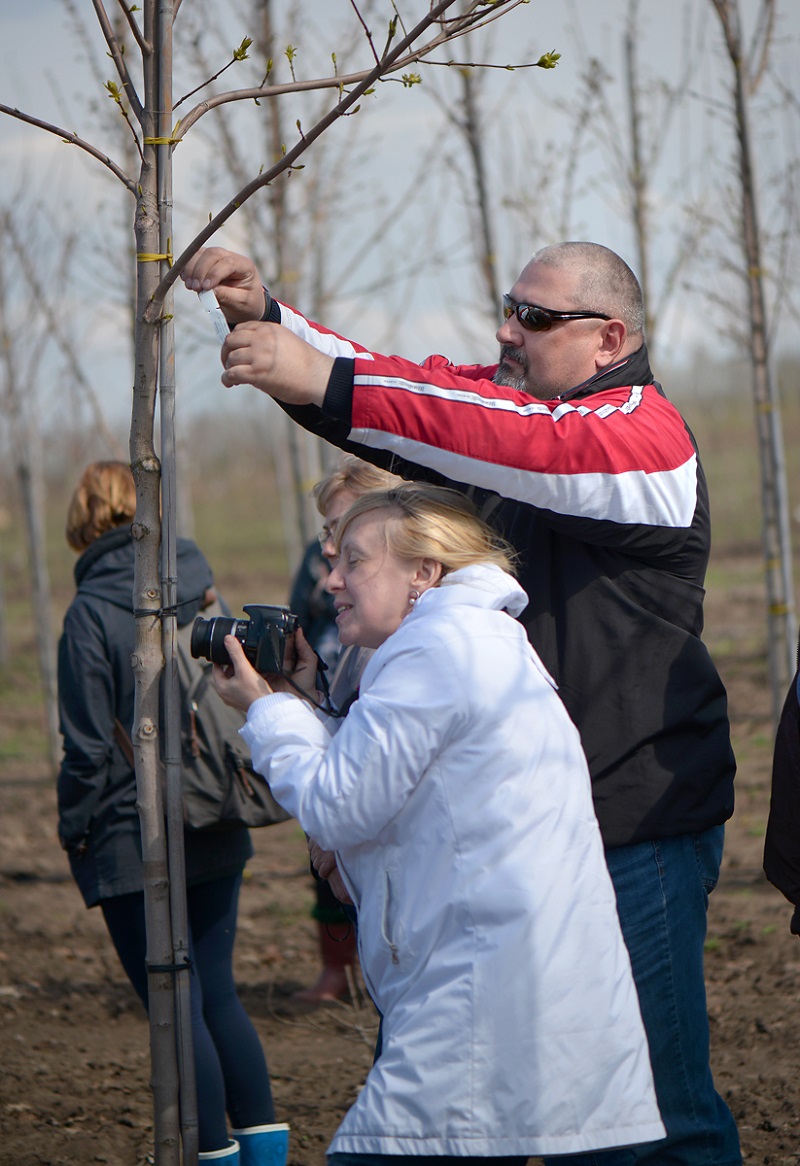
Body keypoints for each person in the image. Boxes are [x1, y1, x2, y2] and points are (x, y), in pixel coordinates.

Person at [181, 241, 741, 1166]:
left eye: (534, 317)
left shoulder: (648, 437)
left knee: (655, 1115)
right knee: (552, 1113)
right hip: (519, 844)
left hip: (632, 827)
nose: (506, 331)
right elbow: (429, 401)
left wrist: (319, 374)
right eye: (507, 308)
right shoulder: (511, 420)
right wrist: (269, 321)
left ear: (611, 339)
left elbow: (497, 435)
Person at [213, 482, 666, 1163]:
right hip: (497, 980)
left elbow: (339, 804)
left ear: (424, 572)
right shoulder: (463, 639)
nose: (332, 579)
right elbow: (388, 776)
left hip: (475, 993)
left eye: (355, 562)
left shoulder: (438, 653)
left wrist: (265, 710)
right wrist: (307, 704)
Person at [56, 461, 288, 1166]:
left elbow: (89, 748)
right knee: (217, 993)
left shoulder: (91, 611)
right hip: (215, 806)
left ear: (87, 522)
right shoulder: (195, 582)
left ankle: (211, 1153)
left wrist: (74, 827)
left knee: (173, 1003)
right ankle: (264, 1157)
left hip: (136, 829)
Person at [290, 456, 403, 1003]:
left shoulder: (406, 649)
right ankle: (338, 968)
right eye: (326, 531)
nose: (330, 552)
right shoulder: (332, 588)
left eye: (342, 530)